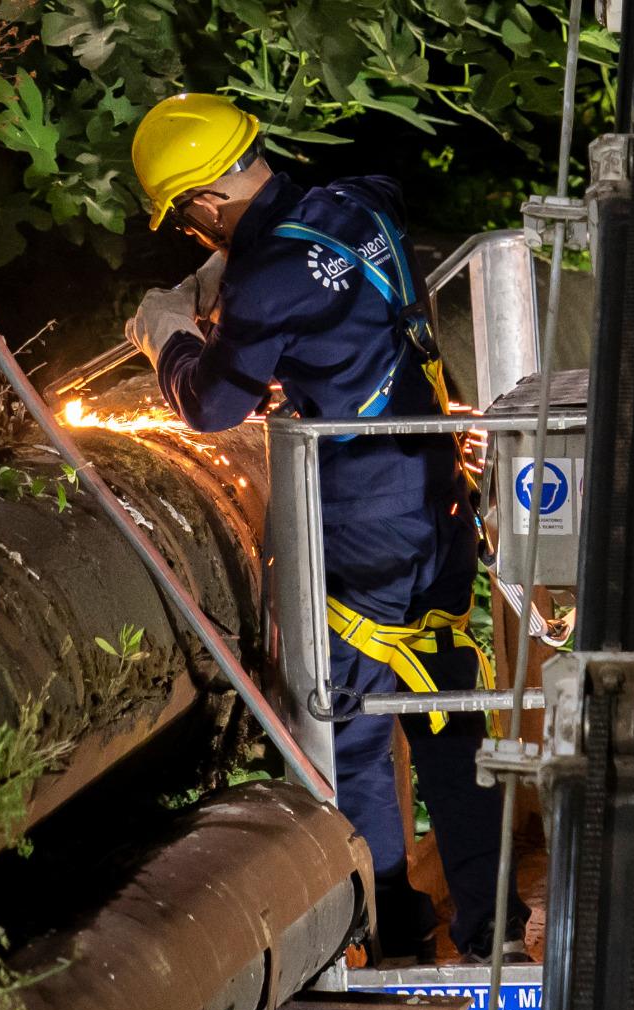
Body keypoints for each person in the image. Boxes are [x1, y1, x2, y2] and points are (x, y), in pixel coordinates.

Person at [123, 92, 530, 964]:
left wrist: (167, 337)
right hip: (438, 500)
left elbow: (213, 405)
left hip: (360, 521)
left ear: (200, 203)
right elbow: (341, 251)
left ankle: (391, 924)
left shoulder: (265, 280)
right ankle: (492, 927)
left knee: (347, 724)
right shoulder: (365, 201)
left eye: (188, 221)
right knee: (450, 718)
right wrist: (221, 284)